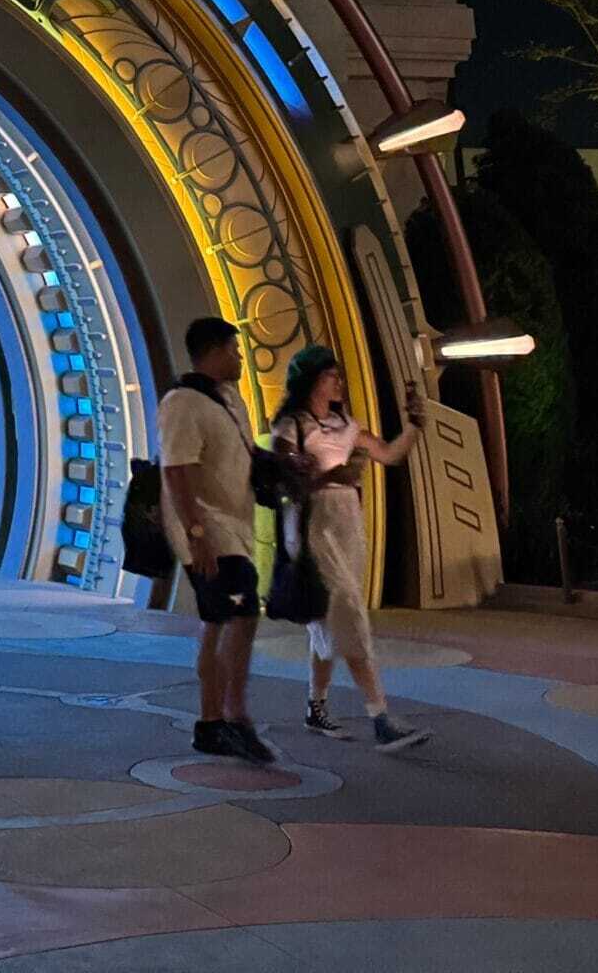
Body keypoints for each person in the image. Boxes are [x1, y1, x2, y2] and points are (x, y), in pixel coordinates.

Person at [270, 344, 430, 751]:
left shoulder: (347, 426)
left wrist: (414, 424)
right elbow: (284, 481)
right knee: (348, 616)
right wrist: (330, 475)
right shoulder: (292, 426)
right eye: (331, 375)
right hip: (313, 528)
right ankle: (380, 717)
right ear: (311, 381)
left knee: (328, 621)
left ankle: (316, 707)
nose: (339, 382)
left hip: (347, 525)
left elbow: (391, 454)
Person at [160, 315, 277, 765]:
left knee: (231, 621)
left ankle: (221, 719)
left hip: (235, 529)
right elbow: (176, 472)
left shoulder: (229, 400)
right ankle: (223, 719)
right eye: (234, 350)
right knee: (234, 617)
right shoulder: (182, 402)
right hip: (209, 532)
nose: (240, 359)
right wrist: (197, 534)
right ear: (212, 351)